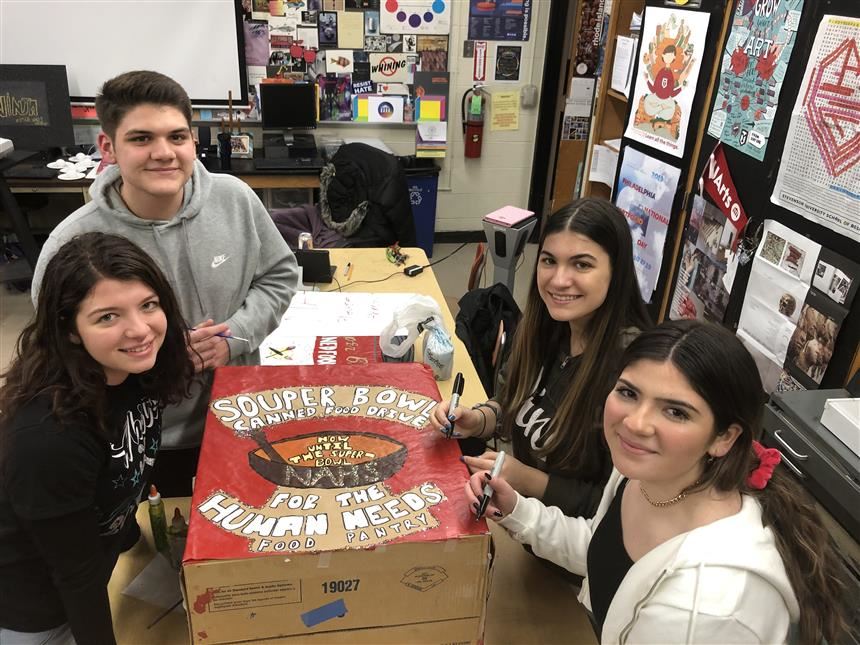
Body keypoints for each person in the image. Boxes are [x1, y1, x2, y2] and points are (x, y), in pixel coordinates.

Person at [467, 320, 847, 643]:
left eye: (676, 411)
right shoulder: (645, 474)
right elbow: (598, 548)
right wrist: (517, 509)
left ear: (724, 438)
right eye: (629, 393)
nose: (635, 423)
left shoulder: (708, 607)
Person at [31, 70, 298, 496]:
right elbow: (62, 355)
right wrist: (164, 355)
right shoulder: (72, 245)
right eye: (141, 139)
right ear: (108, 147)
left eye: (177, 137)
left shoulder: (235, 200)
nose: (164, 153)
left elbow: (280, 276)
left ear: (193, 140)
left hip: (239, 415)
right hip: (143, 442)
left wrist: (237, 337)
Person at [0, 233, 195, 644]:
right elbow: (76, 576)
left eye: (148, 305)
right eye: (108, 316)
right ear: (70, 330)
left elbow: (122, 470)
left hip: (89, 574)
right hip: (36, 614)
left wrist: (131, 543)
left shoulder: (131, 375)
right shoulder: (49, 439)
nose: (140, 330)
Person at [433, 198, 651, 519]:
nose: (558, 280)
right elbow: (511, 401)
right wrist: (477, 420)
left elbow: (621, 509)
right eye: (549, 261)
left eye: (582, 264)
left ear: (616, 271)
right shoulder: (544, 329)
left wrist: (529, 480)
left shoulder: (635, 372)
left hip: (570, 553)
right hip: (518, 515)